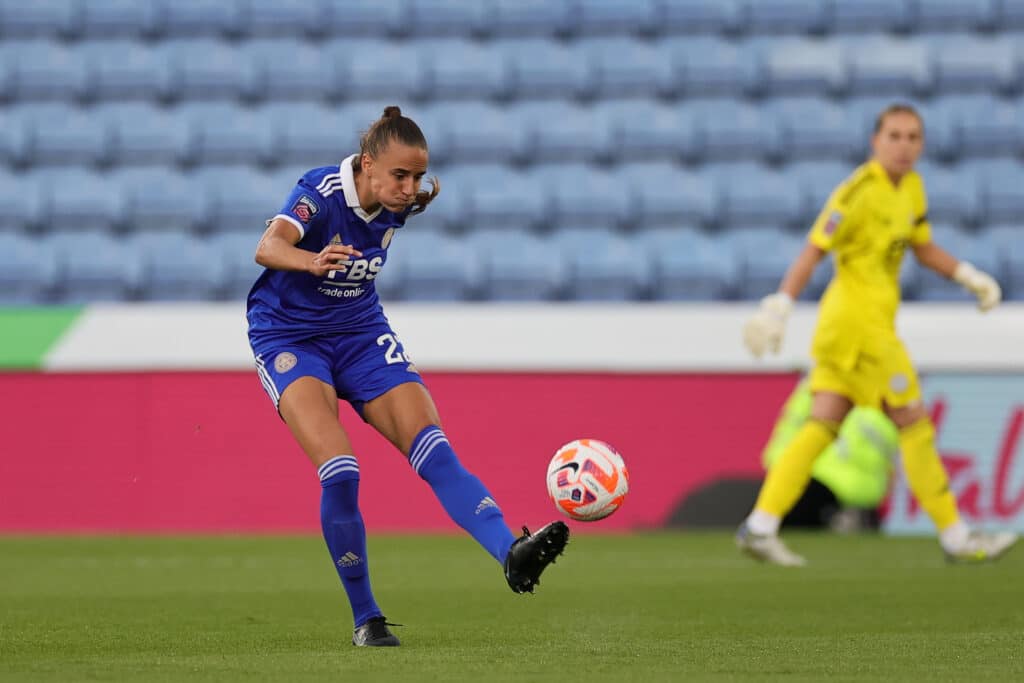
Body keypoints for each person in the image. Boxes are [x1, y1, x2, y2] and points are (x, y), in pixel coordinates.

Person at [246, 106, 569, 647]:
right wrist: (311, 260)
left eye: (418, 176)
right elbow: (267, 247)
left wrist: (401, 199)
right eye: (400, 175)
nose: (410, 187)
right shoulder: (320, 191)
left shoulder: (397, 203)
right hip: (289, 337)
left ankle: (511, 554)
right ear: (368, 164)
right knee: (341, 471)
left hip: (360, 332)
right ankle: (366, 618)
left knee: (434, 448)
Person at [737, 103, 1018, 566]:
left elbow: (922, 247)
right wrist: (781, 305)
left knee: (822, 422)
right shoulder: (857, 192)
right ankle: (957, 537)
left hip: (856, 329)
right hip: (860, 328)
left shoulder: (911, 188)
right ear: (875, 141)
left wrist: (968, 275)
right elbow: (814, 250)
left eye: (913, 137)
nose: (903, 146)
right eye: (894, 136)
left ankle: (760, 526)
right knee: (914, 422)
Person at [761, 378, 896, 532]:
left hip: (821, 480)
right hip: (861, 492)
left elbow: (789, 432)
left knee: (769, 520)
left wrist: (780, 472)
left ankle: (837, 517)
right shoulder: (888, 390)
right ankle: (845, 518)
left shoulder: (819, 385)